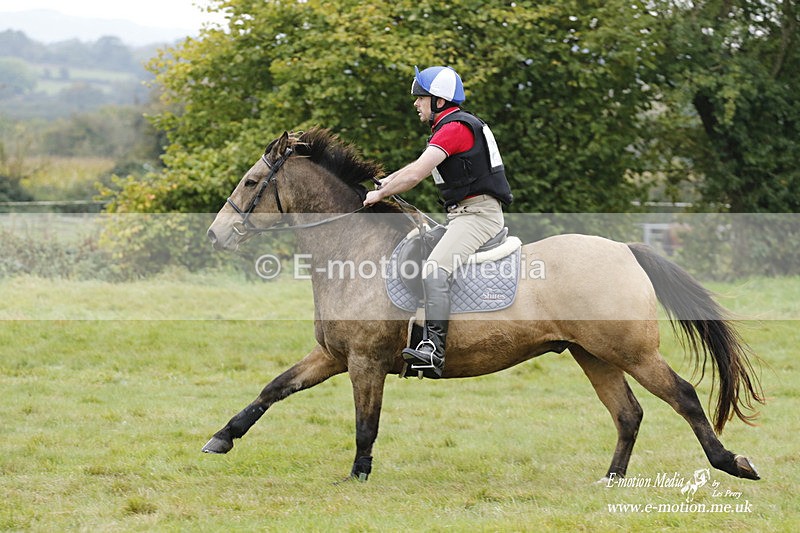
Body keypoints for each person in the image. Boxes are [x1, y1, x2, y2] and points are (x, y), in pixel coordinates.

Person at [363, 65, 513, 378]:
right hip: (463, 215)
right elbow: (412, 168)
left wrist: (381, 194)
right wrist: (384, 184)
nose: (416, 104)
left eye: (421, 98)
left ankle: (433, 350)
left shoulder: (456, 128)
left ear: (440, 102)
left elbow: (417, 173)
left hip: (478, 217)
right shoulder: (451, 126)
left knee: (435, 269)